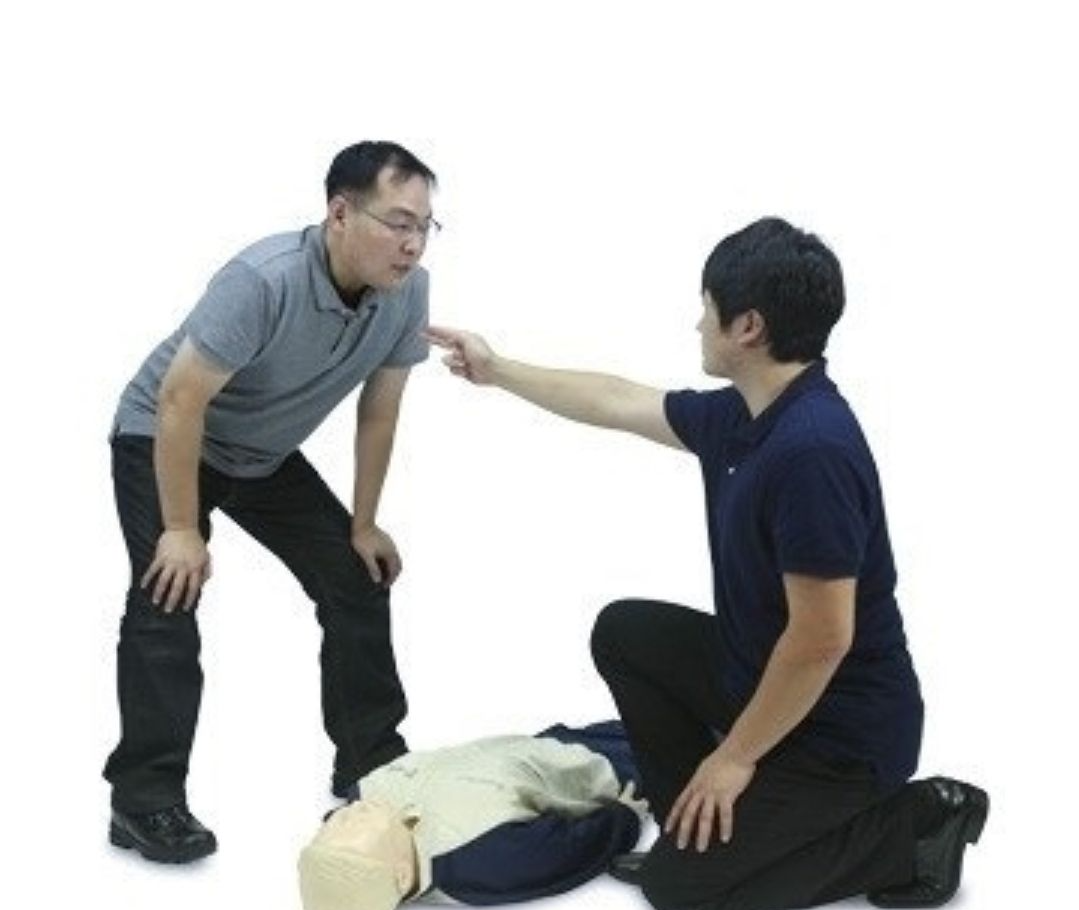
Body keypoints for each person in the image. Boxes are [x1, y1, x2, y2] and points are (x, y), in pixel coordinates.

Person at [426, 217, 988, 910]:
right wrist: (497, 370)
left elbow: (822, 639)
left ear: (747, 326)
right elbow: (617, 400)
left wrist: (734, 757)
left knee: (680, 893)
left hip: (843, 738)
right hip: (764, 680)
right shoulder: (745, 415)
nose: (697, 323)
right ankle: (694, 828)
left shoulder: (812, 450)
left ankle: (915, 827)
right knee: (626, 632)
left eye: (707, 307)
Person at [105, 141, 439, 864]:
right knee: (168, 594)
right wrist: (181, 528)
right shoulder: (263, 280)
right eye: (398, 223)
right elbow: (179, 399)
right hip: (166, 435)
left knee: (356, 578)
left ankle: (371, 767)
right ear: (339, 213)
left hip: (261, 455)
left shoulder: (408, 290)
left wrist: (362, 523)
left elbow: (380, 410)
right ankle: (143, 801)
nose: (413, 244)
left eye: (424, 226)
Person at [297, 721, 645, 910]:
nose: (349, 813)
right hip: (603, 765)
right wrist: (624, 820)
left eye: (331, 826)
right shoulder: (481, 855)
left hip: (540, 745)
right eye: (352, 828)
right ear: (401, 876)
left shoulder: (369, 799)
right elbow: (568, 853)